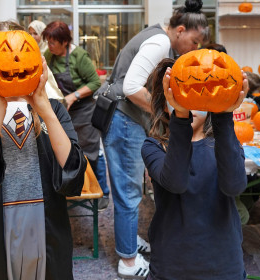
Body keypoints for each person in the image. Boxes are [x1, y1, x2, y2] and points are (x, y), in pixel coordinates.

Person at [0, 21, 87, 280]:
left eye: (24, 51)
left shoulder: (53, 110)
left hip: (46, 229)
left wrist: (44, 107)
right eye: (4, 52)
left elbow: (74, 173)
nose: (15, 59)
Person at [101, 0, 209, 277]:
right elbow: (132, 87)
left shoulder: (156, 35)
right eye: (194, 42)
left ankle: (128, 240)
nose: (194, 49)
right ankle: (127, 261)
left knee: (130, 190)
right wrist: (169, 114)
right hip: (125, 121)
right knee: (128, 192)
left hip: (123, 120)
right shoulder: (160, 42)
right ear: (180, 30)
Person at [141, 58, 248, 280]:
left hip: (224, 264)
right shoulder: (154, 146)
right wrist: (181, 117)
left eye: (195, 96)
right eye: (178, 97)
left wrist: (224, 115)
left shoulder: (224, 142)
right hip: (171, 265)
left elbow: (235, 185)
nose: (188, 106)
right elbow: (176, 182)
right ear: (164, 104)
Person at [42, 21, 101, 170]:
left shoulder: (79, 56)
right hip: (64, 111)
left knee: (88, 153)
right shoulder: (49, 54)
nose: (49, 46)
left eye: (53, 43)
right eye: (48, 42)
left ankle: (98, 191)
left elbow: (95, 82)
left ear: (65, 42)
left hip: (84, 112)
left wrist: (73, 96)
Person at [28, 20, 65, 102]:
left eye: (35, 33)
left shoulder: (50, 51)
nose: (32, 36)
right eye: (30, 33)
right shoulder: (29, 51)